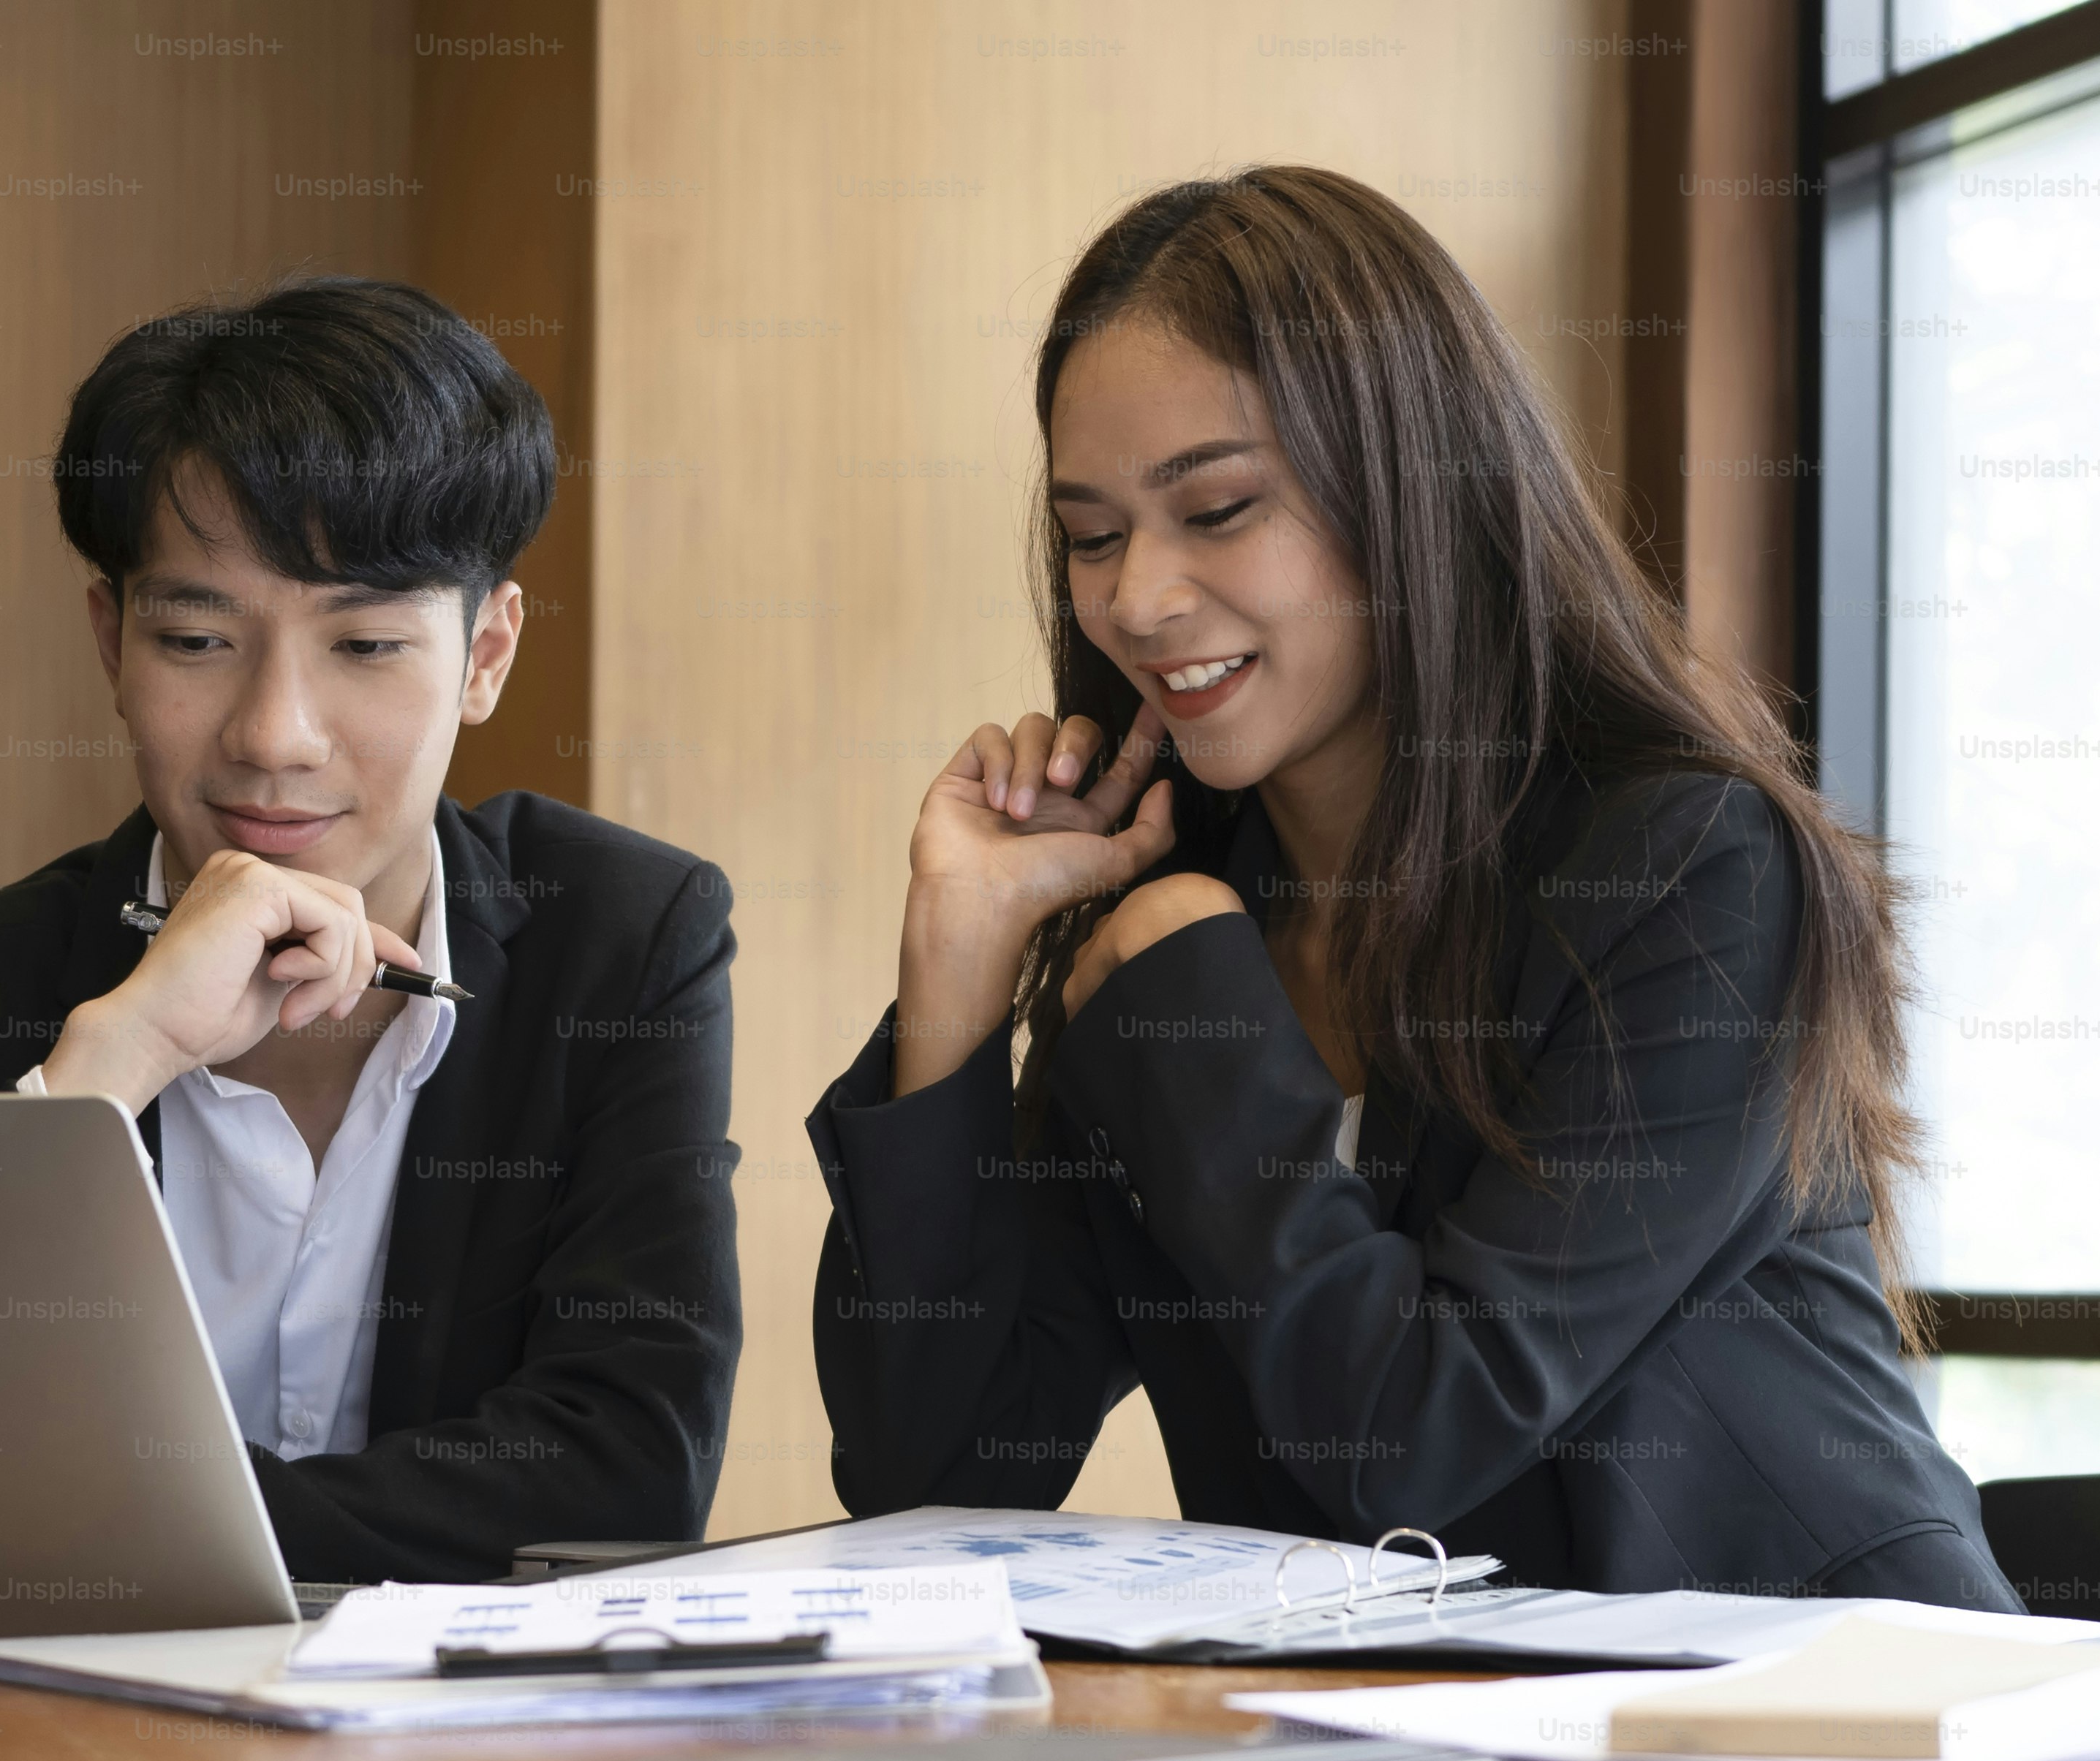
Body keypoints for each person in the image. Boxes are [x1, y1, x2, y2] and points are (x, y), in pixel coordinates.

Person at [810, 169, 2017, 1608]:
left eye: (1215, 507)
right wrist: (955, 973)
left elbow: (1418, 1429)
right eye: (1091, 533)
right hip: (1414, 1741)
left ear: (1407, 492)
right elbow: (931, 1474)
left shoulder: (1689, 869)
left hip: (1823, 1727)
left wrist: (1199, 1021)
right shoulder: (1173, 917)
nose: (1135, 598)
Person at [0, 279, 740, 1584]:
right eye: (198, 637)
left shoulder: (622, 943)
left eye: (370, 644)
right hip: (12, 1759)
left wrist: (92, 1522)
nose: (275, 734)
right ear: (112, 640)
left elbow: (626, 1476)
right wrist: (104, 1070)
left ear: (487, 655)